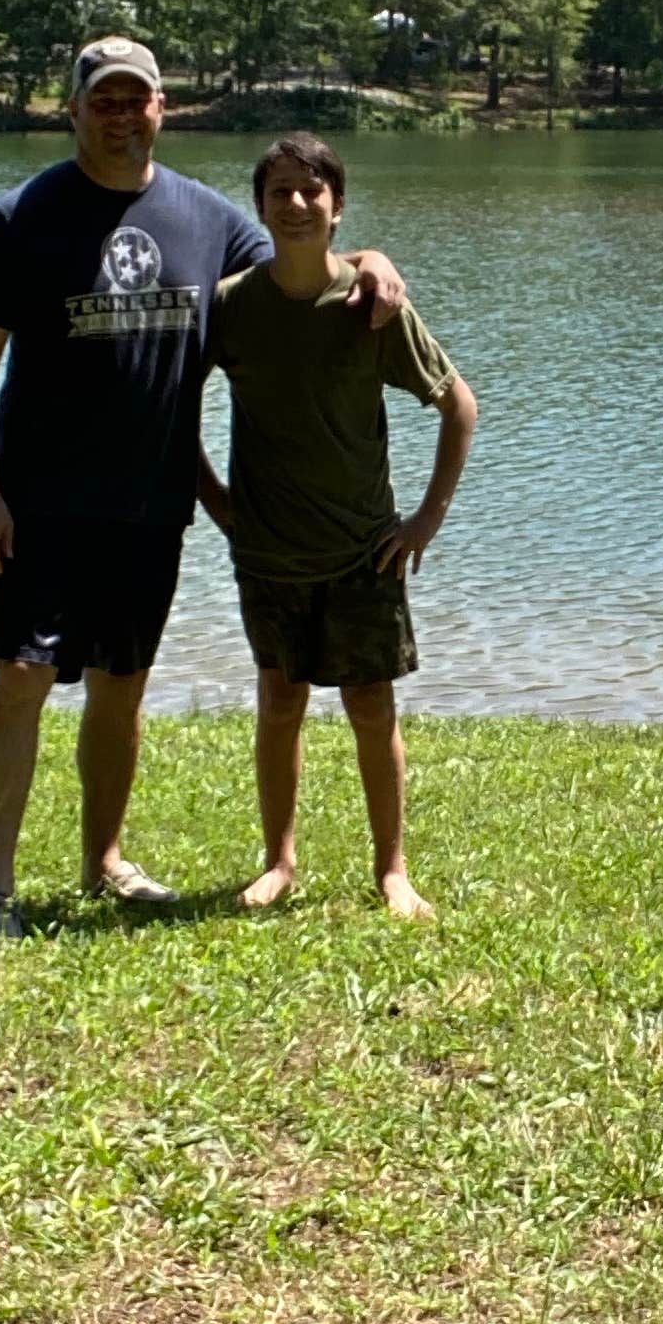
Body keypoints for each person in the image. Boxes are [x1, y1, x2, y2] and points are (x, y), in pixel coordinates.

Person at [0, 43, 403, 941]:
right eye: (102, 100)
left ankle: (103, 861)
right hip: (38, 500)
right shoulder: (21, 217)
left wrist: (373, 258)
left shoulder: (205, 218)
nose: (121, 114)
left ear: (163, 108)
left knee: (122, 685)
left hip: (151, 506)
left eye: (137, 99)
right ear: (73, 110)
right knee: (21, 676)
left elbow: (297, 257)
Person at [201, 133, 477, 922]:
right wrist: (221, 503)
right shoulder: (230, 305)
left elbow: (459, 406)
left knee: (371, 707)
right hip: (268, 552)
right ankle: (278, 862)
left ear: (337, 206)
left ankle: (392, 871)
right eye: (279, 192)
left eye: (311, 191)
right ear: (259, 207)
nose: (295, 204)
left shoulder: (371, 305)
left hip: (364, 551)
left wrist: (426, 519)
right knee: (279, 703)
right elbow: (170, 405)